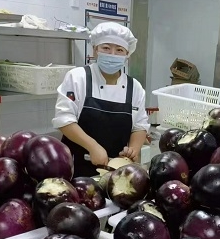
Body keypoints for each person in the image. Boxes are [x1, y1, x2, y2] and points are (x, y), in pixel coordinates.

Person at [52, 21, 150, 177]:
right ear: (95, 49)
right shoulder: (78, 77)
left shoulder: (135, 87)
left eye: (119, 50)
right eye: (106, 48)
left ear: (127, 55)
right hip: (75, 166)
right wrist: (92, 146)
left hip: (115, 170)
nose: (112, 54)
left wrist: (133, 150)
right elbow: (64, 120)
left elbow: (139, 126)